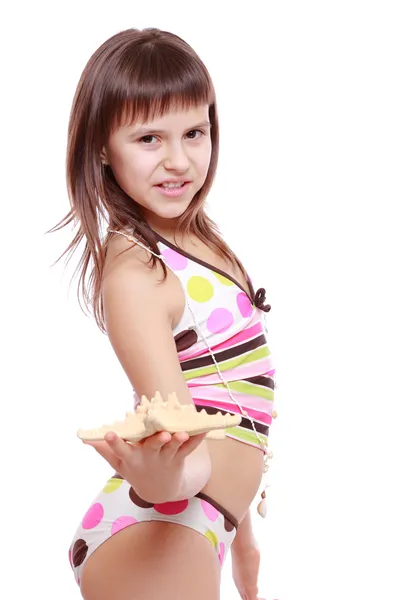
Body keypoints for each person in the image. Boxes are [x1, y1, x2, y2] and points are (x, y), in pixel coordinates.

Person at [50, 26, 277, 600]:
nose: (179, 161)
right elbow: (187, 442)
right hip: (158, 524)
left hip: (202, 524)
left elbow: (230, 405)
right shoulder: (137, 272)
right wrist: (166, 477)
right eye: (149, 138)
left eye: (194, 132)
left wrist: (243, 543)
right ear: (102, 147)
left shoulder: (200, 237)